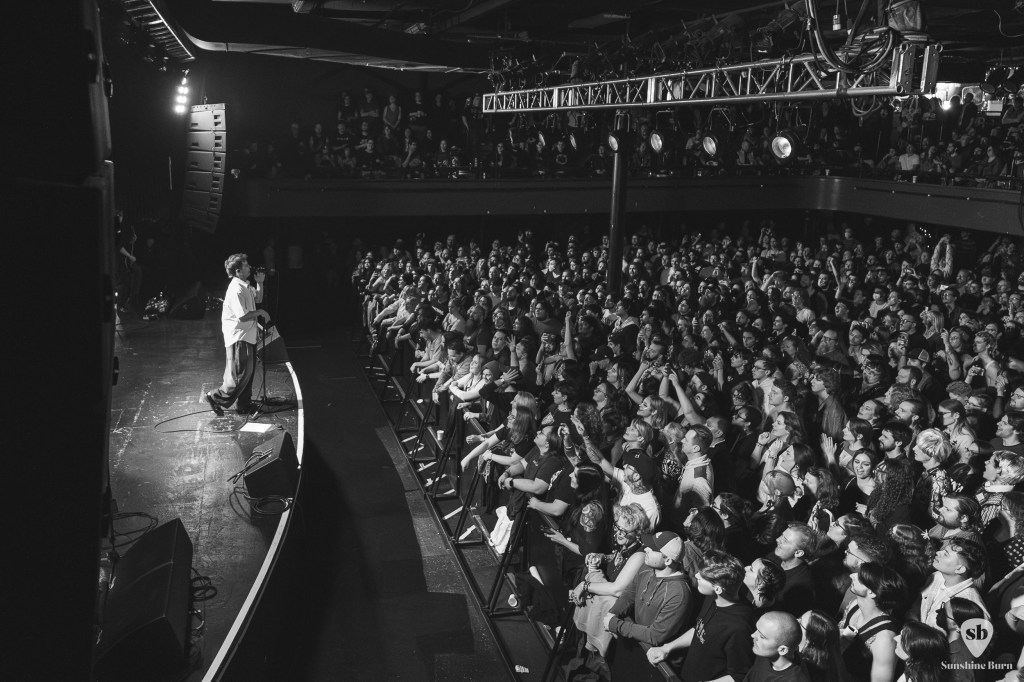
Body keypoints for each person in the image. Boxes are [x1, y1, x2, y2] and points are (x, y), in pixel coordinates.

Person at [646, 550, 757, 682]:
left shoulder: (739, 627)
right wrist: (667, 648)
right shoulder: (712, 598)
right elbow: (699, 628)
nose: (697, 575)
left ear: (718, 589)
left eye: (703, 576)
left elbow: (739, 676)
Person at [205, 253, 269, 416]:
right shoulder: (236, 289)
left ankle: (244, 404)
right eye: (246, 266)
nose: (249, 267)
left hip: (248, 335)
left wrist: (260, 283)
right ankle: (215, 397)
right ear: (238, 270)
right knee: (239, 375)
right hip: (239, 337)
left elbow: (258, 298)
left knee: (249, 372)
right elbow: (242, 315)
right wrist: (260, 312)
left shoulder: (245, 285)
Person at [744, 611, 810, 682]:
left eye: (761, 636)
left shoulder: (795, 679)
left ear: (782, 650)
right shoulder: (766, 653)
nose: (753, 635)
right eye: (757, 630)